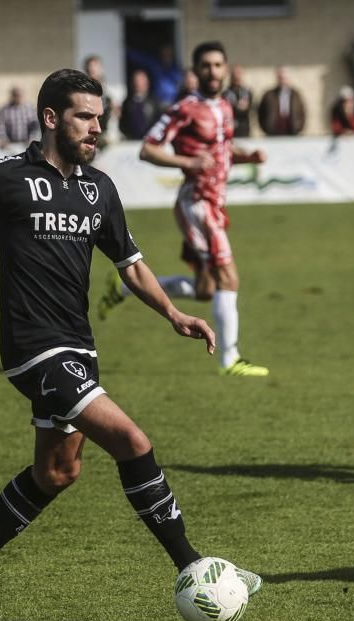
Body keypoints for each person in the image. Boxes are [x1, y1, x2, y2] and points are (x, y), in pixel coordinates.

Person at [0, 68, 262, 619]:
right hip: (32, 348)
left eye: (100, 118)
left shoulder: (97, 187)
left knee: (58, 472)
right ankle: (194, 566)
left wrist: (173, 312)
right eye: (85, 117)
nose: (96, 128)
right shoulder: (2, 178)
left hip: (78, 344)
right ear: (52, 118)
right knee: (133, 441)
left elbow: (130, 264)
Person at [99, 41, 269, 378]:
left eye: (218, 65)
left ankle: (126, 288)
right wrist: (188, 160)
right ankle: (230, 360)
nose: (213, 71)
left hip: (215, 203)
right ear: (195, 71)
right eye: (206, 65)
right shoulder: (185, 109)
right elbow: (147, 150)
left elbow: (222, 148)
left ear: (225, 68)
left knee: (207, 289)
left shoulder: (225, 106)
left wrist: (247, 157)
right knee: (229, 276)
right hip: (197, 203)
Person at [258, 66, 305, 136]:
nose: (282, 80)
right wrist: (266, 128)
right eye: (280, 78)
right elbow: (261, 113)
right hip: (274, 130)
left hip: (291, 129)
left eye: (284, 78)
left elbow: (302, 112)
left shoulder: (295, 94)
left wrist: (299, 127)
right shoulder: (269, 95)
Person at [118, 69, 160, 140]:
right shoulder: (127, 103)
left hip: (149, 141)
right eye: (136, 81)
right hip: (131, 142)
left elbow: (158, 122)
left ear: (147, 83)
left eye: (141, 81)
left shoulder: (154, 102)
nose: (138, 83)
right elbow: (123, 124)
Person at [83, 55, 113, 146]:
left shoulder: (108, 94)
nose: (93, 70)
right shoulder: (82, 92)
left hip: (104, 137)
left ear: (101, 69)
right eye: (90, 68)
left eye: (95, 67)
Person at [223, 65, 253, 138]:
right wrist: (236, 106)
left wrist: (234, 106)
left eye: (239, 74)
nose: (237, 76)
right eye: (235, 74)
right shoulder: (225, 93)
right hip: (229, 129)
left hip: (244, 130)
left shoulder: (247, 92)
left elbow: (246, 108)